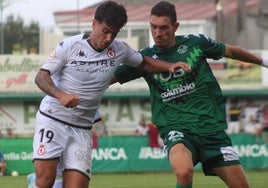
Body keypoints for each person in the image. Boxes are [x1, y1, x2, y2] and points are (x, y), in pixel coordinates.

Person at [31, 1, 190, 188]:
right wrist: (61, 95)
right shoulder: (69, 45)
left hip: (82, 128)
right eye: (105, 31)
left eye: (114, 33)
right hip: (53, 119)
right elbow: (41, 77)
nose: (108, 38)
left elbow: (144, 63)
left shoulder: (119, 49)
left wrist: (169, 66)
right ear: (93, 24)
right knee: (45, 181)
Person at [112, 1, 268, 187]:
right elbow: (109, 78)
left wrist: (263, 61)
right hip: (177, 129)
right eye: (153, 27)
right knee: (184, 172)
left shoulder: (195, 43)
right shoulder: (144, 58)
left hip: (211, 130)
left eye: (163, 28)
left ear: (175, 27)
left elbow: (231, 51)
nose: (157, 33)